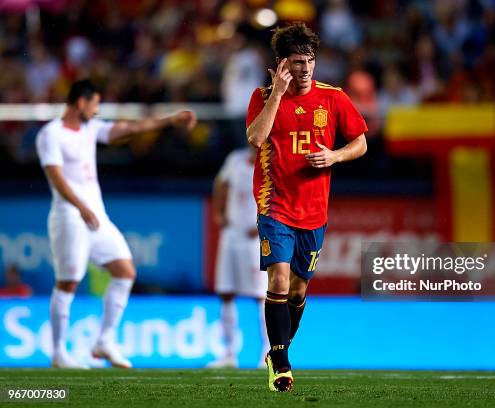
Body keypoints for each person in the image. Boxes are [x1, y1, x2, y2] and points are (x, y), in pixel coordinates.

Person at [35, 79, 196, 369]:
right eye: (95, 104)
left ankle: (104, 341)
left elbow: (130, 128)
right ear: (80, 102)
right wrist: (81, 206)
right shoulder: (51, 134)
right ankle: (58, 353)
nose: (97, 111)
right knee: (68, 282)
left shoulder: (89, 129)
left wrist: (170, 120)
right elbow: (56, 177)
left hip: (96, 217)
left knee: (125, 272)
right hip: (70, 216)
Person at [246, 23, 367, 391]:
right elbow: (255, 137)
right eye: (298, 62)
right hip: (275, 206)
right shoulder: (263, 96)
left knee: (298, 291)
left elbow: (360, 142)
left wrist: (334, 155)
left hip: (314, 212)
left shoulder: (333, 98)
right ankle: (280, 362)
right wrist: (278, 95)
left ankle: (278, 350)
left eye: (310, 61)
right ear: (282, 64)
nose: (306, 69)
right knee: (278, 278)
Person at [209, 146, 269, 368]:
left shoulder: (273, 163)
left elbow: (282, 196)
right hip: (231, 235)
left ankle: (267, 353)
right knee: (226, 292)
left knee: (261, 296)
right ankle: (229, 353)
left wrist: (263, 223)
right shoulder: (235, 158)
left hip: (255, 239)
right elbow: (221, 184)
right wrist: (218, 212)